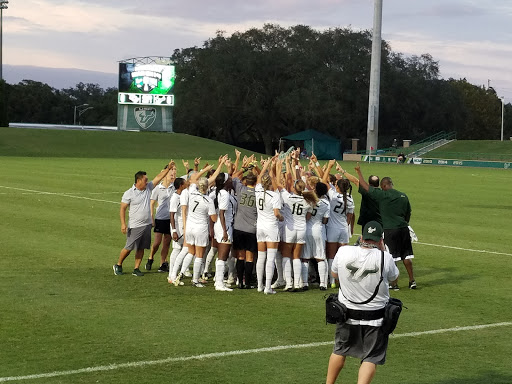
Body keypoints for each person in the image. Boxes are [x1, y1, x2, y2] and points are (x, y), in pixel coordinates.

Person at [326, 221, 399, 384]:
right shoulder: (385, 257)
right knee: (371, 357)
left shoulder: (343, 251)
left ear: (361, 237)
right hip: (375, 317)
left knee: (339, 350)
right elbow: (394, 279)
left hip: (346, 313)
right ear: (380, 240)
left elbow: (334, 274)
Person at [355, 163, 416, 290]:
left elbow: (365, 186)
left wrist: (359, 172)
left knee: (392, 257)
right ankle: (412, 281)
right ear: (391, 184)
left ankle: (394, 284)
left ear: (383, 186)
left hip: (390, 229)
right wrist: (404, 223)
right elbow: (408, 213)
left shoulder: (383, 195)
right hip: (404, 228)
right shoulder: (403, 196)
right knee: (406, 256)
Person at [113, 162, 174, 276]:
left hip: (146, 225)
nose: (147, 181)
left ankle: (136, 268)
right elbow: (122, 209)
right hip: (135, 225)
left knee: (141, 248)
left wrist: (168, 168)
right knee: (129, 247)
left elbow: (158, 177)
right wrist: (123, 224)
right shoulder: (129, 193)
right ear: (139, 180)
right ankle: (118, 264)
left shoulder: (148, 188)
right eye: (145, 179)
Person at [146, 165, 176, 272]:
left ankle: (162, 263)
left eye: (175, 170)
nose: (173, 173)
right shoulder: (158, 188)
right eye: (171, 171)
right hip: (160, 219)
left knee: (166, 243)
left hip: (171, 219)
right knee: (157, 243)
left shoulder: (174, 187)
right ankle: (151, 257)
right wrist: (151, 217)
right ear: (165, 173)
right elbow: (152, 203)